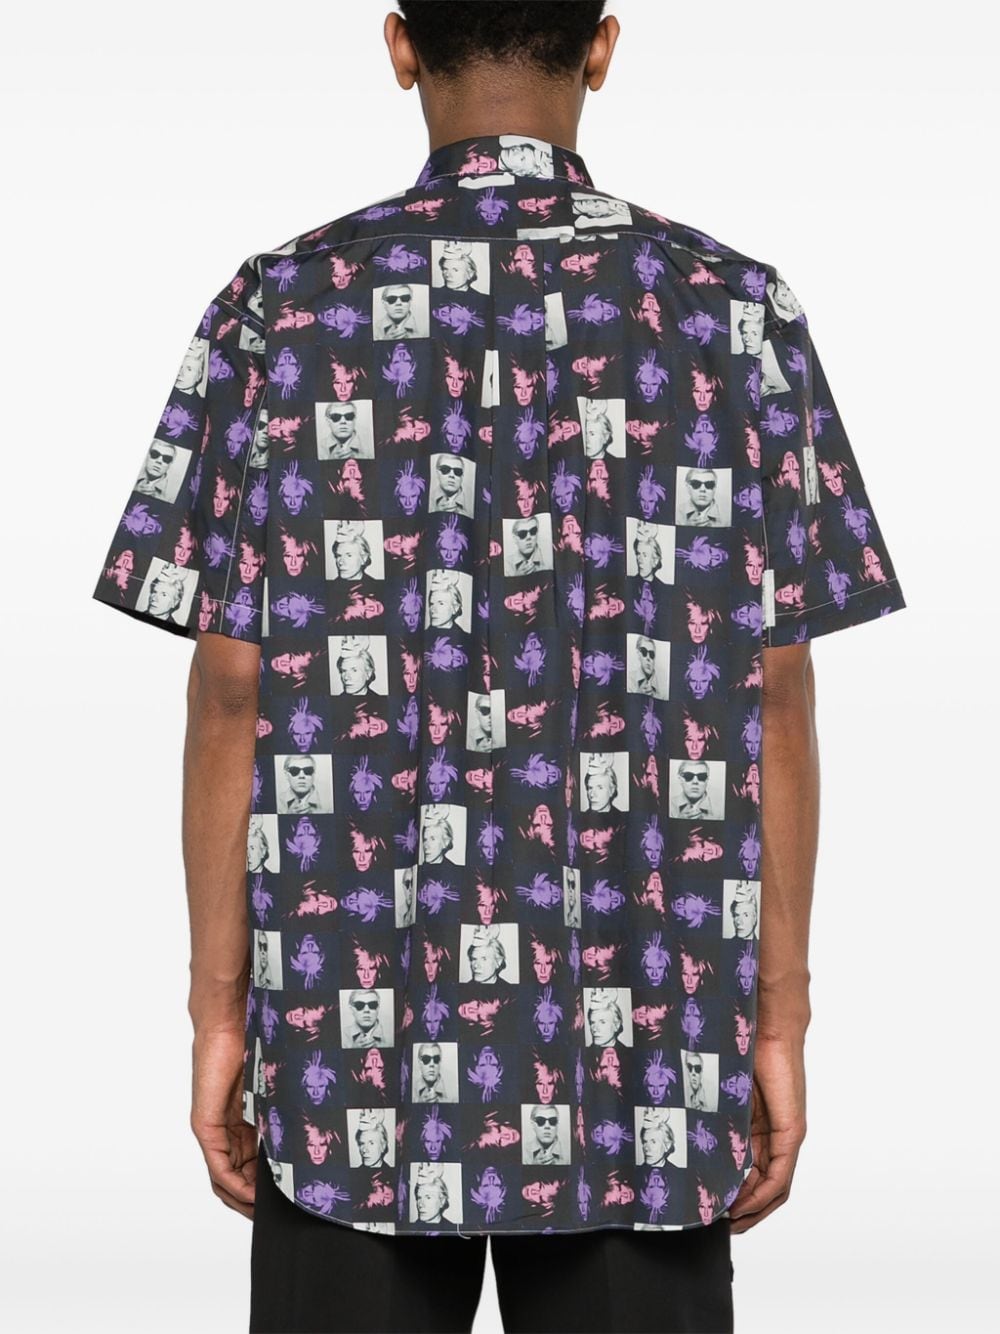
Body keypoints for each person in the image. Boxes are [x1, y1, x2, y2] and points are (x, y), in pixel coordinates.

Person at [89, 4, 907, 1332]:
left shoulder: (280, 308)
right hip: (645, 1062)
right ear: (604, 46)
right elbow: (774, 692)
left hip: (352, 1052)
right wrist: (778, 1020)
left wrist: (219, 1014)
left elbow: (231, 689)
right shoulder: (734, 311)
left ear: (401, 46)